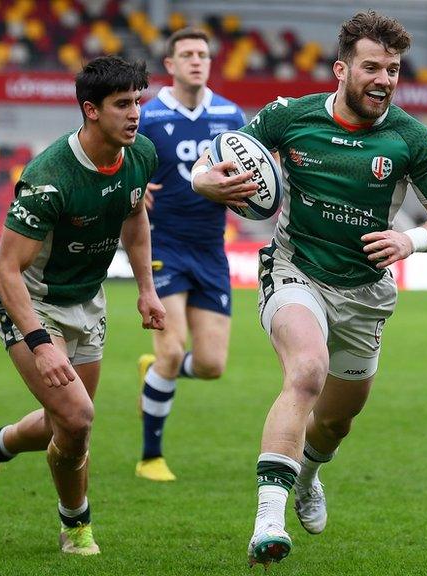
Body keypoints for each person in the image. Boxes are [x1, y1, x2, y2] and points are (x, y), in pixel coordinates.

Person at [191, 10, 427, 566]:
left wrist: (411, 240)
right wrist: (203, 181)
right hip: (296, 270)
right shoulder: (291, 116)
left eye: (393, 69)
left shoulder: (411, 136)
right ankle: (268, 522)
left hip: (365, 292)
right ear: (341, 69)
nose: (384, 79)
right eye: (372, 67)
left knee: (338, 418)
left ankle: (308, 475)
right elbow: (218, 159)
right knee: (307, 370)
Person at [0, 56, 164, 556]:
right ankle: (75, 526)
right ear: (90, 110)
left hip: (86, 301)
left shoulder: (139, 153)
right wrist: (39, 343)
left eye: (137, 101)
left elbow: (136, 218)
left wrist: (146, 289)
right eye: (123, 104)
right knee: (77, 419)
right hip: (30, 302)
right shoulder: (49, 176)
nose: (135, 113)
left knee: (68, 424)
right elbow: (6, 271)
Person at [134, 28, 247, 482]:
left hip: (211, 249)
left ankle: (160, 368)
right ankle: (150, 457)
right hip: (162, 246)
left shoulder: (231, 114)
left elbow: (248, 171)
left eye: (203, 54)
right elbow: (120, 162)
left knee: (211, 366)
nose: (197, 61)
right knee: (171, 346)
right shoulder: (148, 116)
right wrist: (134, 190)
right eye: (187, 55)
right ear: (171, 64)